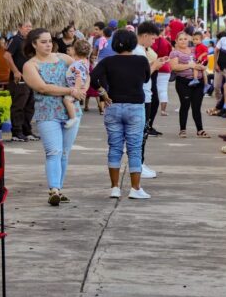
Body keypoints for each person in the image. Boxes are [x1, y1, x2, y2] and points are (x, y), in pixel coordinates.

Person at [22, 29, 86, 206]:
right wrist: (70, 90)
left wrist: (82, 89)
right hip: (47, 113)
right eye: (43, 42)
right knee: (53, 152)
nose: (48, 45)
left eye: (49, 41)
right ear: (34, 44)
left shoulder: (64, 59)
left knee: (64, 153)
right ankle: (54, 190)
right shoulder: (30, 65)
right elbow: (42, 88)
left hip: (71, 111)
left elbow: (82, 72)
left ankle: (59, 188)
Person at [90, 29, 152, 199]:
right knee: (134, 149)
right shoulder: (141, 60)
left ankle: (115, 188)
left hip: (113, 105)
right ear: (133, 43)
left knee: (115, 147)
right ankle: (135, 188)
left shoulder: (108, 61)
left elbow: (93, 77)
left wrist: (103, 92)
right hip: (135, 107)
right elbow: (146, 79)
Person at [134, 22, 166, 176]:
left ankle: (140, 163)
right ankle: (138, 165)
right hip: (142, 95)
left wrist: (154, 64)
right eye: (152, 39)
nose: (153, 42)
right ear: (145, 36)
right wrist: (155, 66)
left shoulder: (140, 50)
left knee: (143, 132)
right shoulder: (138, 51)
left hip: (145, 94)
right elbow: (142, 75)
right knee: (141, 133)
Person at [169, 32, 209, 139]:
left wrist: (204, 66)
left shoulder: (194, 49)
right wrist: (190, 65)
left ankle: (200, 130)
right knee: (185, 105)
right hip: (183, 82)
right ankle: (183, 129)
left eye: (185, 39)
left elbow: (204, 58)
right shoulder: (174, 53)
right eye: (181, 39)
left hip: (198, 81)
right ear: (176, 41)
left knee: (197, 106)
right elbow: (174, 67)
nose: (183, 41)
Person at [4, 21, 37, 142]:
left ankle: (26, 131)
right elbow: (7, 56)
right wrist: (15, 71)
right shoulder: (15, 40)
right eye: (26, 26)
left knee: (30, 105)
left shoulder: (29, 41)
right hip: (19, 79)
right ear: (19, 27)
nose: (29, 28)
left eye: (30, 26)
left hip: (30, 77)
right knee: (19, 105)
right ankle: (16, 132)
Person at [63, 40, 91, 130]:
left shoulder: (77, 64)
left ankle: (73, 118)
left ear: (75, 50)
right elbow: (87, 76)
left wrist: (76, 89)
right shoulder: (84, 62)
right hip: (79, 87)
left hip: (75, 88)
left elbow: (78, 78)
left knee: (67, 100)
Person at [151, 33, 172, 119]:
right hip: (165, 66)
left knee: (153, 88)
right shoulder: (166, 42)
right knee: (163, 90)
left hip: (154, 66)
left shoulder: (151, 41)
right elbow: (169, 53)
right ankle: (163, 110)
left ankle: (151, 107)